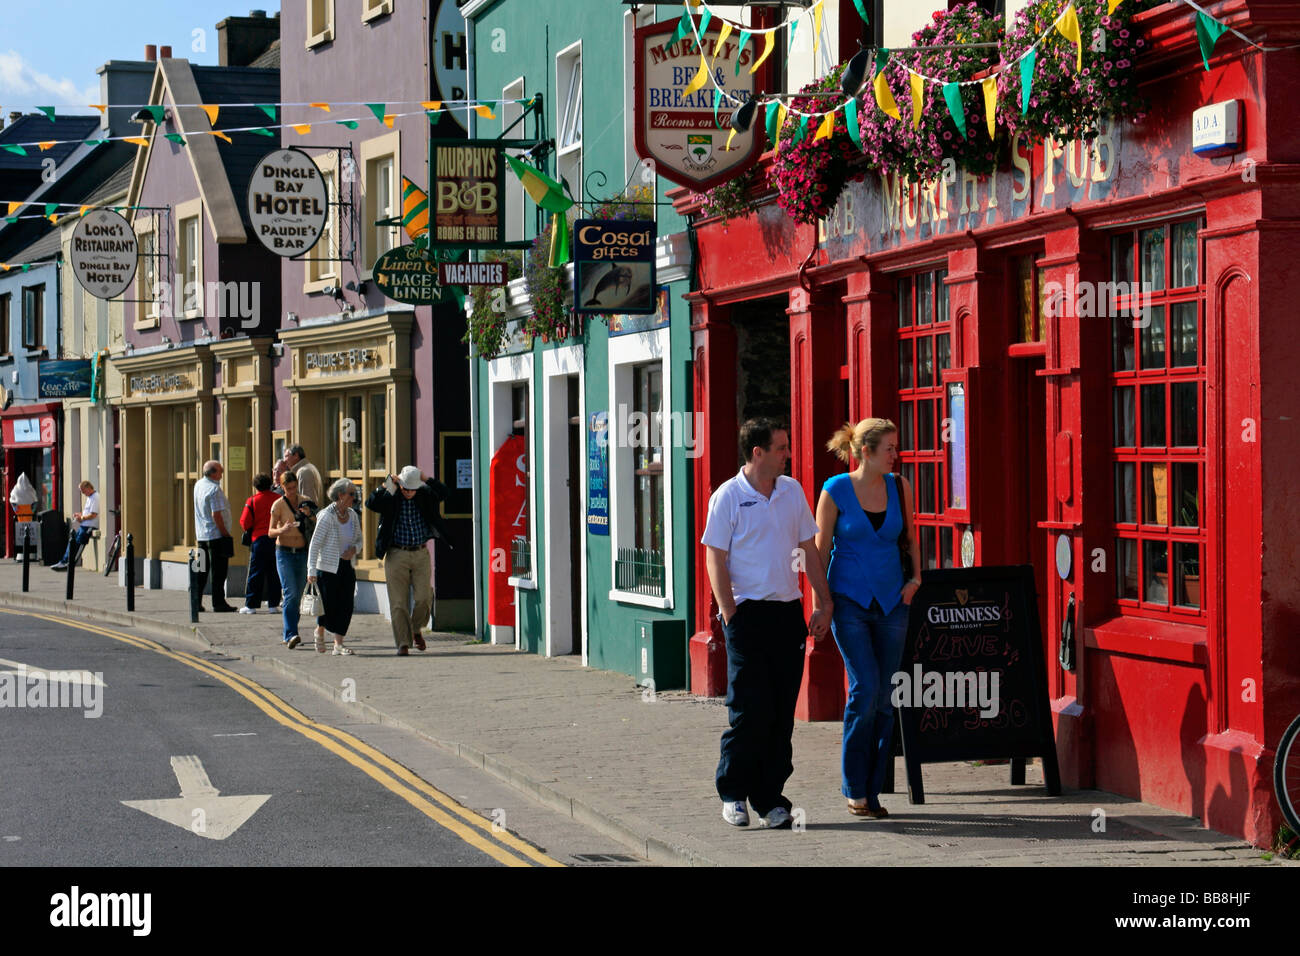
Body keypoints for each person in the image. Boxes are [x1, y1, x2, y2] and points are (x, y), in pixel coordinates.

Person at [701, 418, 832, 830]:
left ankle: (771, 798)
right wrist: (729, 615)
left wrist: (823, 601)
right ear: (757, 453)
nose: (788, 454)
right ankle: (733, 792)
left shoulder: (791, 491)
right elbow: (714, 558)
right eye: (781, 447)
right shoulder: (728, 497)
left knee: (779, 714)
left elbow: (808, 548)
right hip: (746, 615)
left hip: (786, 614)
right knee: (748, 710)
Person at [815, 418, 921, 819]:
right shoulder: (835, 489)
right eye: (890, 448)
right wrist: (821, 605)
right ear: (866, 452)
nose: (897, 454)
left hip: (894, 601)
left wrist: (916, 579)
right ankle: (854, 787)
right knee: (866, 689)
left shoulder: (899, 486)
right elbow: (819, 551)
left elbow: (910, 537)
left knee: (885, 698)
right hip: (849, 602)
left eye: (896, 447)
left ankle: (872, 792)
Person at [365, 465, 450, 656]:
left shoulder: (424, 493)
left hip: (420, 552)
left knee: (424, 597)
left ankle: (415, 628)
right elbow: (370, 503)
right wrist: (388, 484)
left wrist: (426, 478)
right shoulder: (392, 495)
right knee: (398, 602)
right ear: (400, 484)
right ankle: (403, 643)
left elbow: (444, 492)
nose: (409, 492)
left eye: (413, 488)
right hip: (396, 553)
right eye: (406, 488)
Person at [307, 478, 360, 656]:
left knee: (346, 605)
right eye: (351, 494)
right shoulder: (326, 516)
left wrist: (354, 549)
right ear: (340, 495)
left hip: (346, 566)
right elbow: (314, 544)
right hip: (327, 568)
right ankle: (320, 630)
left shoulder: (352, 515)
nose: (354, 497)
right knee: (328, 606)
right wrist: (311, 570)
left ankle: (338, 644)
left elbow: (359, 539)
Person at [268, 471, 315, 647]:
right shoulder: (278, 505)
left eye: (294, 487)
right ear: (282, 487)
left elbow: (317, 521)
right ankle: (291, 634)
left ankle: (292, 629)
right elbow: (270, 532)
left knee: (299, 594)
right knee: (290, 593)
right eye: (288, 489)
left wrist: (309, 514)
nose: (292, 492)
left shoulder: (305, 500)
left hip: (302, 552)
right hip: (284, 552)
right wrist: (282, 530)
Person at [193, 460, 236, 613]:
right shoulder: (214, 490)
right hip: (215, 536)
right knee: (219, 571)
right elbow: (216, 514)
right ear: (213, 473)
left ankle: (195, 601)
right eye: (220, 472)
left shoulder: (199, 485)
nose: (222, 475)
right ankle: (218, 602)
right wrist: (225, 533)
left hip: (201, 535)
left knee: (202, 570)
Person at [239, 473, 282, 614]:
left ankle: (251, 605)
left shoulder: (252, 501)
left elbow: (245, 523)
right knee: (274, 572)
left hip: (258, 540)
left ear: (255, 486)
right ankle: (273, 604)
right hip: (275, 538)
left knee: (255, 573)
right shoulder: (278, 499)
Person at [51, 480, 99, 571]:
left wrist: (82, 518)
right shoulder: (90, 497)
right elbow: (88, 512)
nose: (83, 493)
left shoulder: (95, 497)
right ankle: (64, 561)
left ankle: (68, 562)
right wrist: (80, 515)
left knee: (76, 544)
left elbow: (93, 514)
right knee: (72, 542)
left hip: (89, 526)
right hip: (84, 525)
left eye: (83, 491)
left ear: (88, 488)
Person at [282, 444, 323, 512]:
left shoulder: (303, 472)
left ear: (296, 456)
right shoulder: (308, 468)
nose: (284, 460)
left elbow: (307, 502)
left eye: (286, 456)